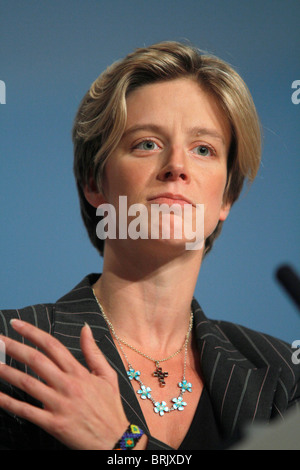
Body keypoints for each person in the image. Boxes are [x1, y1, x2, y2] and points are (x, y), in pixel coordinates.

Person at [0, 41, 299, 451]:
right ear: (95, 184)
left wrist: (124, 444)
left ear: (226, 197)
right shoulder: (14, 352)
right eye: (146, 144)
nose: (177, 166)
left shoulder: (282, 375)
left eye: (203, 149)